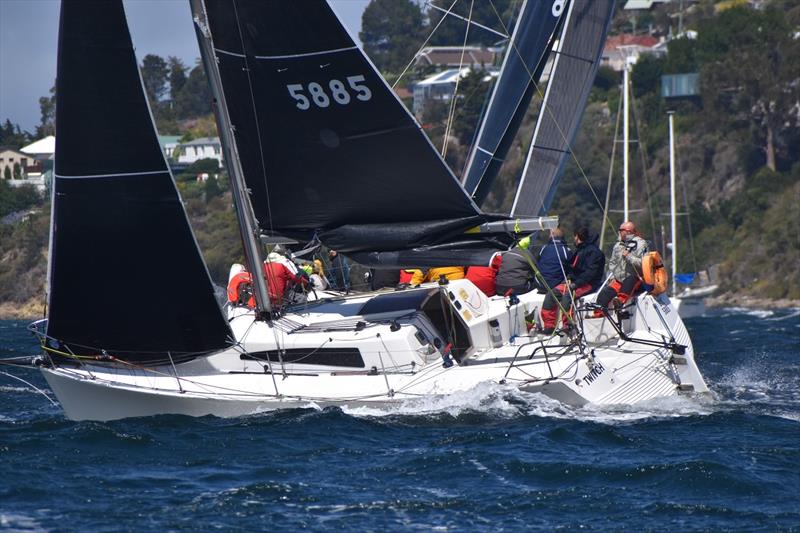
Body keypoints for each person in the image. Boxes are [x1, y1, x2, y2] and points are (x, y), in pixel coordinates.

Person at [540, 227, 605, 333]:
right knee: (551, 294)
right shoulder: (580, 250)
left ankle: (568, 325)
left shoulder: (595, 253)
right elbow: (572, 268)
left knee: (568, 296)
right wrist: (569, 278)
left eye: (574, 236)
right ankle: (549, 326)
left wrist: (575, 284)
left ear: (578, 237)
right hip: (574, 282)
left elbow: (591, 273)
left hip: (588, 283)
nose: (573, 238)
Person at [595, 220, 648, 312]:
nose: (619, 232)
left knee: (629, 281)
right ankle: (597, 316)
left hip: (635, 278)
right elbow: (612, 263)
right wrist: (613, 275)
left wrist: (629, 256)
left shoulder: (641, 244)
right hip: (619, 280)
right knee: (603, 295)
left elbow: (644, 264)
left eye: (621, 230)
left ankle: (620, 301)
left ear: (628, 231)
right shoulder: (617, 246)